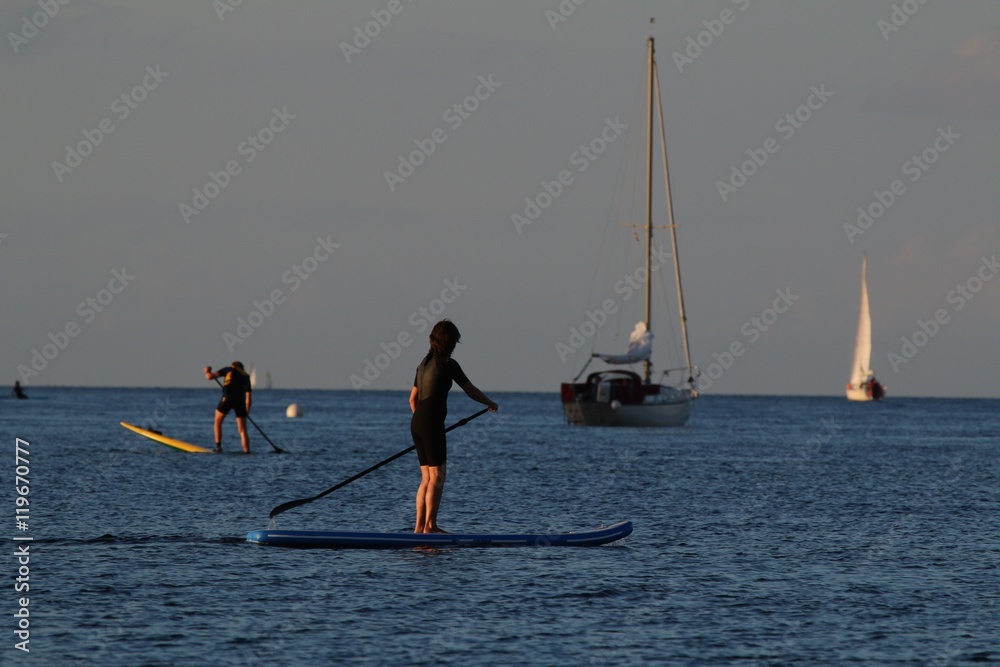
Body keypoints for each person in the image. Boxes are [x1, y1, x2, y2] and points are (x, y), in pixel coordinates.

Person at [409, 320, 497, 533]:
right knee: (437, 477)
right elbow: (471, 390)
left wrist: (423, 420)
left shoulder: (423, 363)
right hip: (430, 426)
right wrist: (490, 403)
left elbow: (412, 399)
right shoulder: (448, 363)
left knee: (426, 478)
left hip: (417, 424)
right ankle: (430, 527)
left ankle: (418, 528)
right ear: (449, 342)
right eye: (455, 341)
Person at [204, 362, 252, 453]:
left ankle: (218, 447)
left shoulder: (228, 369)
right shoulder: (246, 376)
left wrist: (207, 371)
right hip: (240, 401)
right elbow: (248, 399)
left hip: (227, 398)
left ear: (233, 366)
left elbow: (209, 377)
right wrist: (246, 413)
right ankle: (247, 451)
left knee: (217, 422)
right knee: (242, 430)